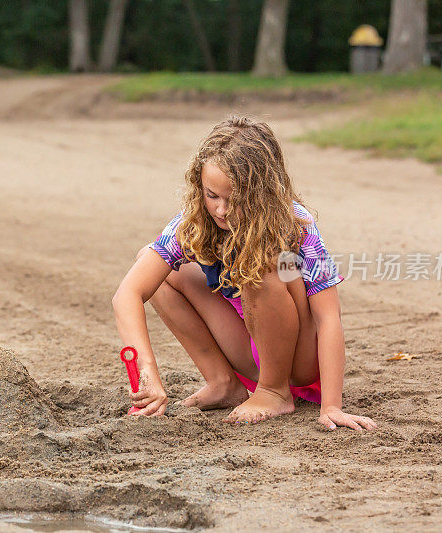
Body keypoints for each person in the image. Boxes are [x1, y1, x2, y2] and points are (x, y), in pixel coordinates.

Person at [112, 116, 376, 431]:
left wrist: (332, 406)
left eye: (234, 200)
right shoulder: (193, 223)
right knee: (154, 265)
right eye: (212, 196)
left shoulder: (295, 224)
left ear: (262, 192)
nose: (221, 210)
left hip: (299, 356)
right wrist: (148, 375)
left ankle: (275, 391)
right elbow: (126, 294)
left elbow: (328, 317)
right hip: (249, 347)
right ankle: (223, 382)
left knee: (264, 266)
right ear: (200, 185)